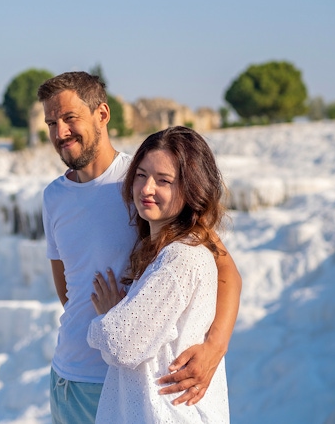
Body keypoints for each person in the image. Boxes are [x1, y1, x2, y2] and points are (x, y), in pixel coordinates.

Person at [38, 72, 241, 424]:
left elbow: (224, 269)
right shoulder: (53, 196)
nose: (60, 133)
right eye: (51, 122)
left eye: (70, 118)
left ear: (102, 114)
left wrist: (214, 348)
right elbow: (70, 291)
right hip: (65, 380)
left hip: (121, 383)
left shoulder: (144, 181)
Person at [87, 126, 230, 423]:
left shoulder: (180, 258)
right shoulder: (167, 250)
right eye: (140, 175)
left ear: (192, 189)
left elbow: (121, 343)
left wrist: (106, 316)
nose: (146, 189)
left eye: (163, 180)